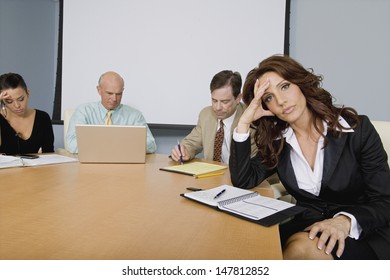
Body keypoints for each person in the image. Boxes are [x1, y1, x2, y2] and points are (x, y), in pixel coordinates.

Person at [229, 54, 390, 260]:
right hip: (306, 226)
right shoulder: (279, 141)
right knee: (246, 247)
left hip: (360, 232)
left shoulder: (358, 130)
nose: (280, 101)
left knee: (301, 250)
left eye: (285, 86)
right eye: (268, 97)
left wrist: (345, 221)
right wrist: (243, 123)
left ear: (301, 83)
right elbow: (243, 179)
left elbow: (384, 200)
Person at [170, 70, 258, 164]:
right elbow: (192, 143)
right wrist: (184, 150)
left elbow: (252, 162)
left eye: (225, 102)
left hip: (240, 176)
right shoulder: (206, 115)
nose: (217, 108)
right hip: (213, 176)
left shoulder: (252, 118)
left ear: (238, 98)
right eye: (214, 100)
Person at [65, 71, 156, 154]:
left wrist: (97, 145)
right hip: (91, 165)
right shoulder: (83, 112)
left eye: (119, 94)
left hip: (124, 166)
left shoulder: (135, 115)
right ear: (98, 90)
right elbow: (72, 144)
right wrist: (120, 145)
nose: (114, 99)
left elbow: (151, 145)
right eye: (109, 93)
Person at [0, 72, 54, 154]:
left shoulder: (43, 118)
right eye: (9, 101)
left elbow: (49, 153)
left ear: (28, 93)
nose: (17, 105)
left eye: (21, 99)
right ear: (2, 101)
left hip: (34, 167)